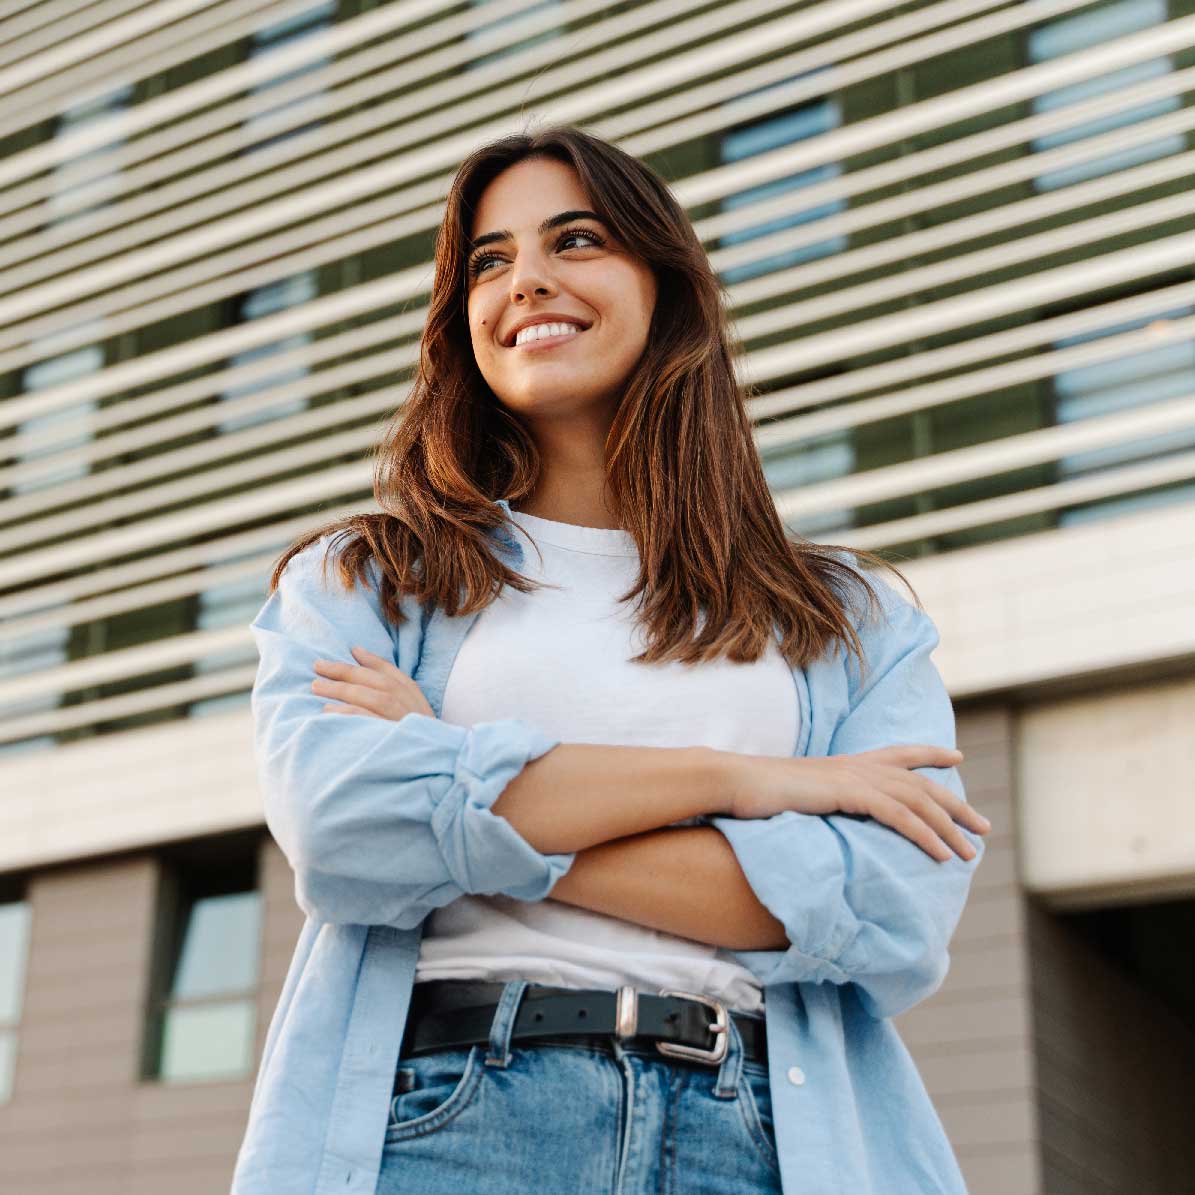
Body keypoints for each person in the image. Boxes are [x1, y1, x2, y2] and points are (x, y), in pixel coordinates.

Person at [230, 124, 990, 1195]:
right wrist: (751, 784)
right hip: (456, 1118)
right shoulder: (368, 578)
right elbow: (344, 828)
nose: (526, 281)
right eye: (488, 262)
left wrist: (457, 781)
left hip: (762, 1134)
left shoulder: (846, 617)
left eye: (574, 241)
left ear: (663, 282)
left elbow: (887, 908)